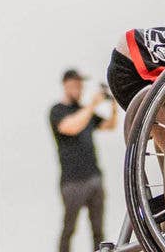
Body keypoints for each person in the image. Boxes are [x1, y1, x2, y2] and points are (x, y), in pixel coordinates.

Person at [49, 68, 117, 252]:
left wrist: (113, 103)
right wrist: (92, 105)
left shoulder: (84, 111)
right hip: (72, 181)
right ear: (66, 86)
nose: (79, 89)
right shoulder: (57, 111)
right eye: (76, 85)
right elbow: (70, 128)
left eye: (81, 86)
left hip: (94, 176)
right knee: (69, 229)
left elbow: (109, 125)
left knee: (98, 231)